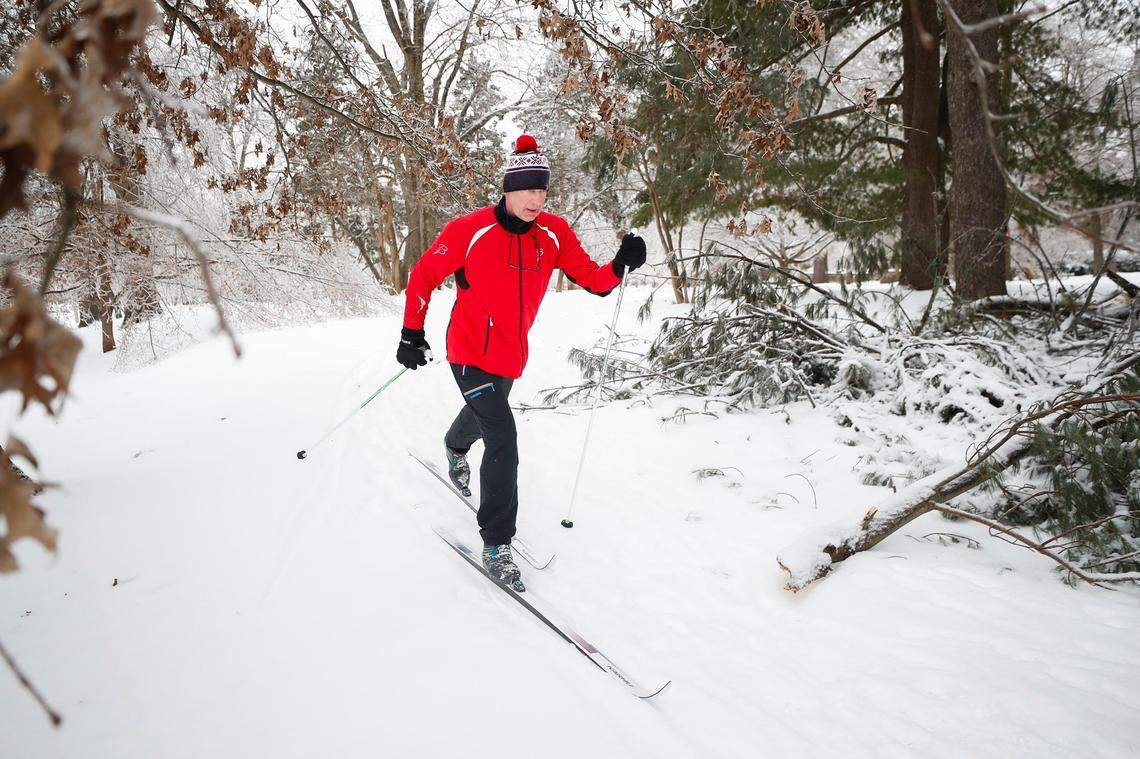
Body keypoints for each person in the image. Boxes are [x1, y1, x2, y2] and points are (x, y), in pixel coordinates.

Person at [396, 134, 646, 591]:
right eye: (526, 188)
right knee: (503, 436)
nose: (535, 198)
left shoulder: (552, 233)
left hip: (510, 356)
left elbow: (593, 279)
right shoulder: (468, 231)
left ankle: (454, 446)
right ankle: (497, 543)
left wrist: (621, 264)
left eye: (541, 188)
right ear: (507, 188)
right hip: (467, 351)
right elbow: (423, 276)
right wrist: (412, 333)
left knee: (484, 417)